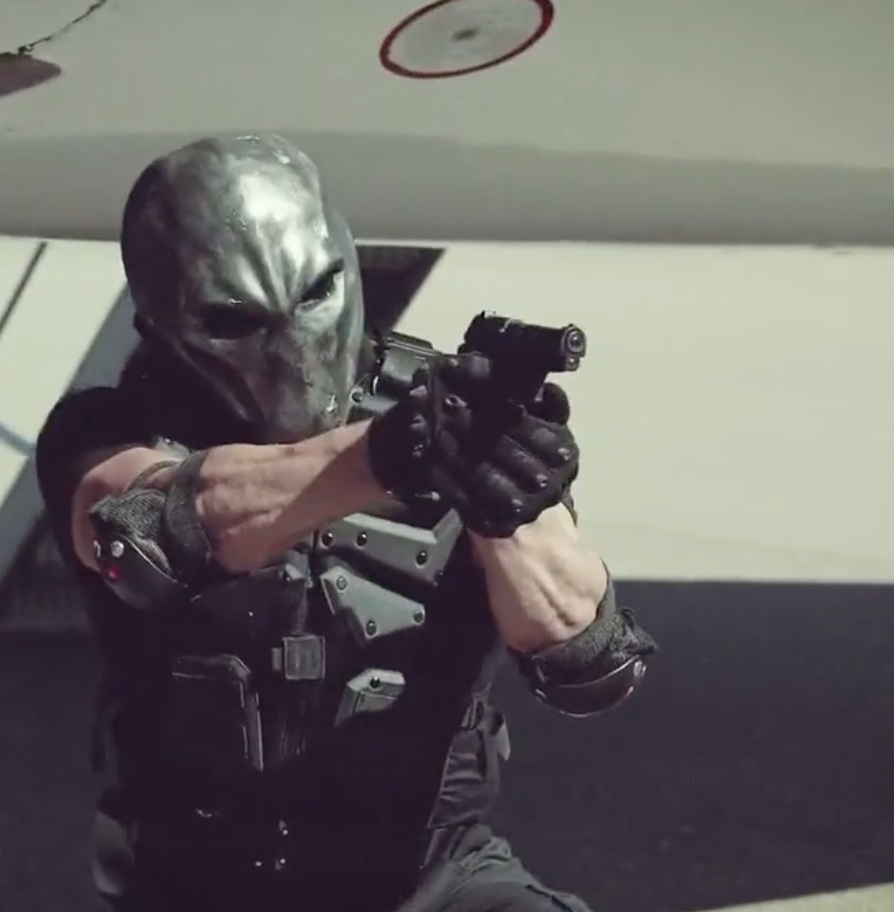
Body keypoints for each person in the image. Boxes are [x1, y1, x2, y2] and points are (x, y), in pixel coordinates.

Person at [33, 133, 657, 912]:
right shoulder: (107, 430)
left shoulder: (450, 407)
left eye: (314, 293)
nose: (292, 351)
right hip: (197, 885)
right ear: (158, 318)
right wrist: (385, 454)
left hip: (430, 877)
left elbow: (587, 662)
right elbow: (149, 531)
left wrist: (501, 499)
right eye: (233, 319)